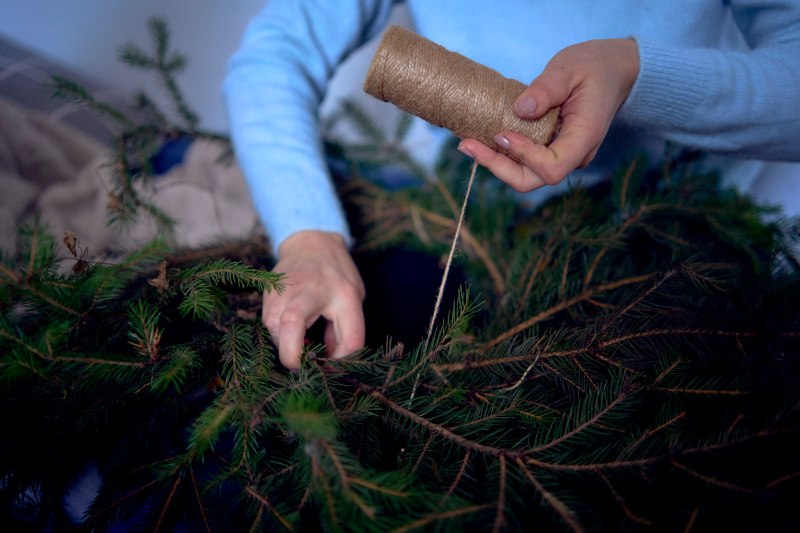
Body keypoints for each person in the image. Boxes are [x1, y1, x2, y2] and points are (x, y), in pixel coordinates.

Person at [224, 0, 800, 370]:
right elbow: (275, 54)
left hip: (705, 231)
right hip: (484, 226)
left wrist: (633, 74)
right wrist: (308, 236)